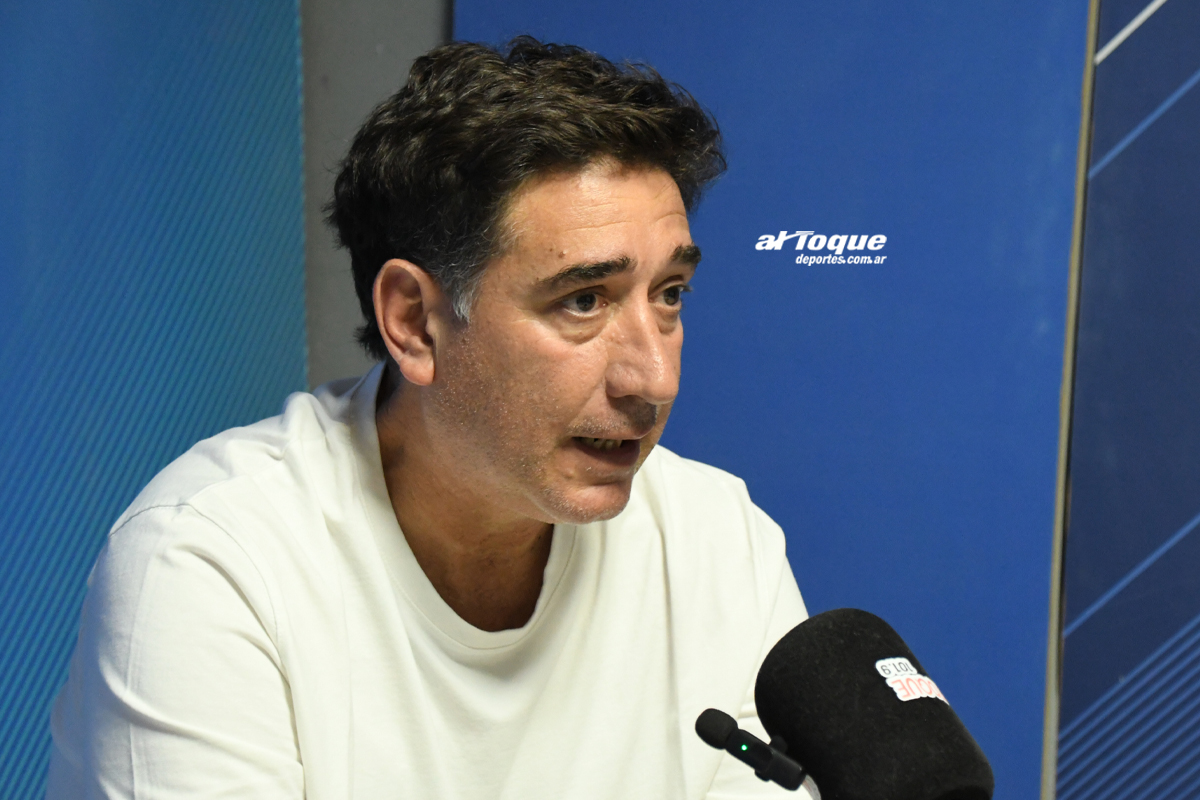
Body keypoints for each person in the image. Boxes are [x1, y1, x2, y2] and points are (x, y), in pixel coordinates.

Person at [47, 37, 812, 799]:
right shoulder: (211, 564)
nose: (655, 379)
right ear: (414, 322)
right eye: (583, 301)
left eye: (669, 294)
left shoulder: (719, 543)